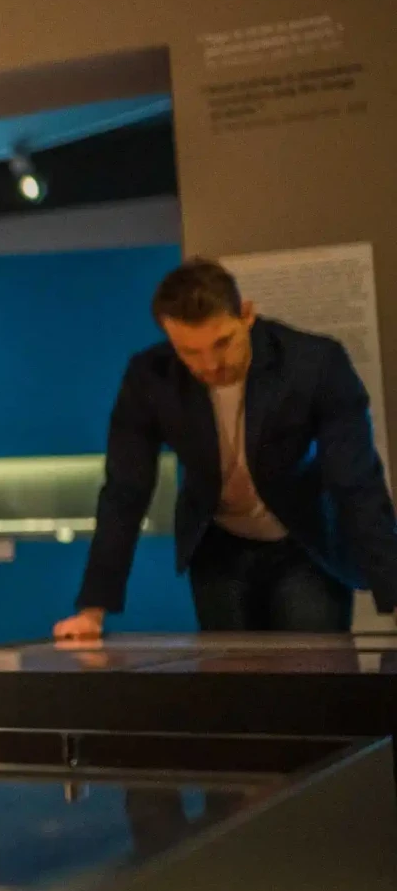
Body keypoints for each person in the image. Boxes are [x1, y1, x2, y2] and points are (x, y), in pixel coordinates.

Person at [54, 259, 397, 639]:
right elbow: (125, 490)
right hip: (217, 547)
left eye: (222, 343)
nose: (211, 365)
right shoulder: (150, 378)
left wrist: (393, 591)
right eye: (190, 351)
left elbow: (355, 480)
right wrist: (92, 611)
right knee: (229, 673)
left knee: (312, 670)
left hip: (305, 542)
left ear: (246, 315)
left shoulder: (314, 363)